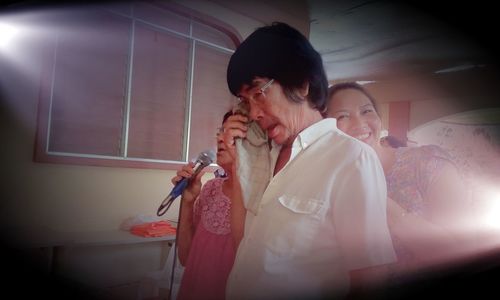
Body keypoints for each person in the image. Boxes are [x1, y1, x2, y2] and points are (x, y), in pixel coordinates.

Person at [221, 22, 396, 300]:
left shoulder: (352, 159)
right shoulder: (262, 156)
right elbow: (244, 246)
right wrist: (237, 166)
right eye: (245, 101)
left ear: (301, 85)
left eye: (258, 94)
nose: (253, 113)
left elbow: (371, 276)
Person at [323, 82, 471, 277]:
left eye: (367, 111)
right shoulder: (328, 180)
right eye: (343, 116)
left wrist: (381, 202)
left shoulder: (427, 162)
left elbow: (459, 252)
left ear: (379, 117)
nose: (359, 123)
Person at [173, 111, 245, 300]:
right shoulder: (211, 188)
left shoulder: (263, 197)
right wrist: (187, 202)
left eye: (232, 133)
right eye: (221, 131)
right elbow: (185, 258)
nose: (221, 139)